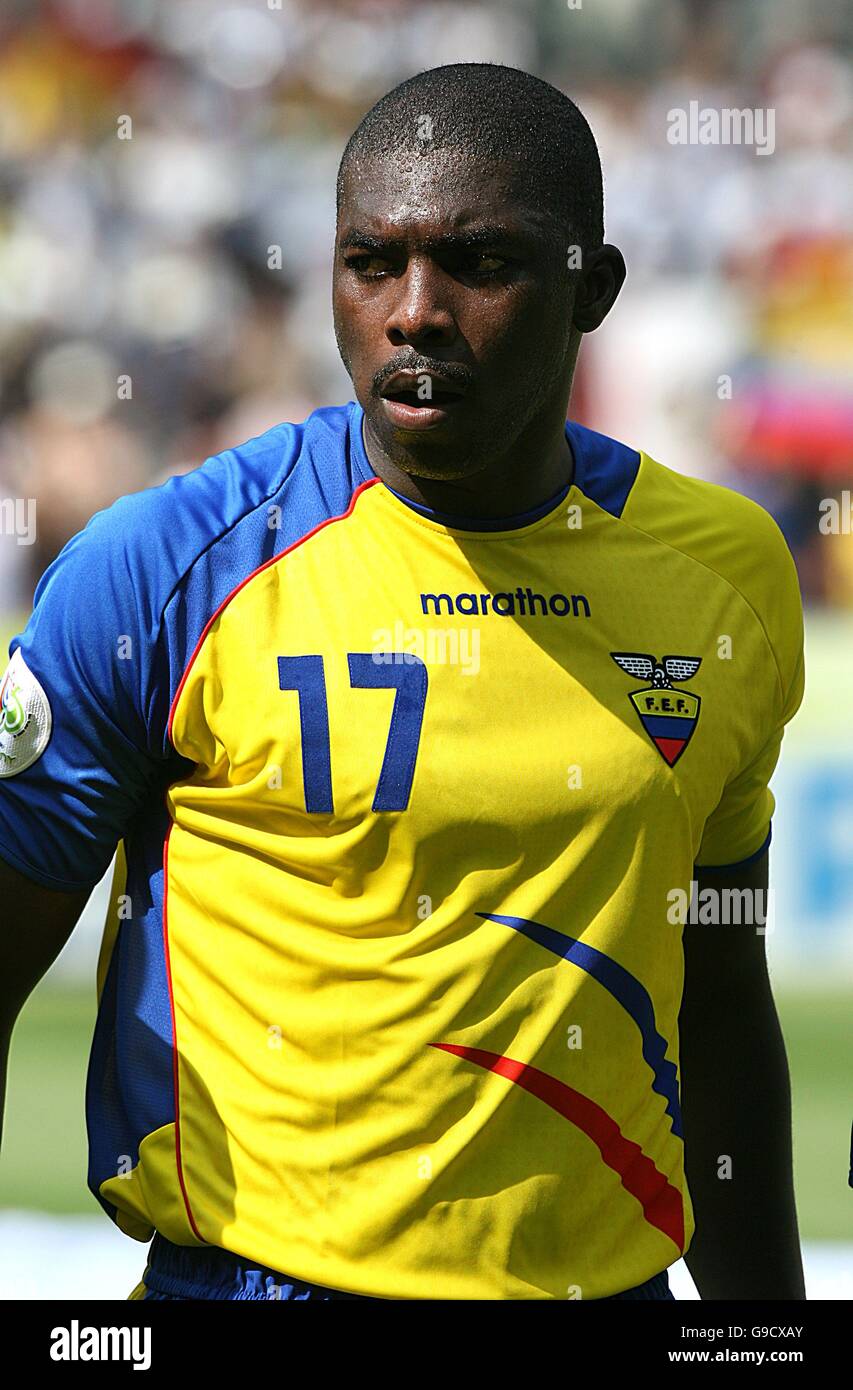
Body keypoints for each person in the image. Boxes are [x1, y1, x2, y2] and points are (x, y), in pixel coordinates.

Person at [0, 63, 805, 1301]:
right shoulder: (161, 567)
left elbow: (720, 998)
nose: (413, 311)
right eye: (370, 262)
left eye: (480, 263)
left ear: (593, 289)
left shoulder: (727, 574)